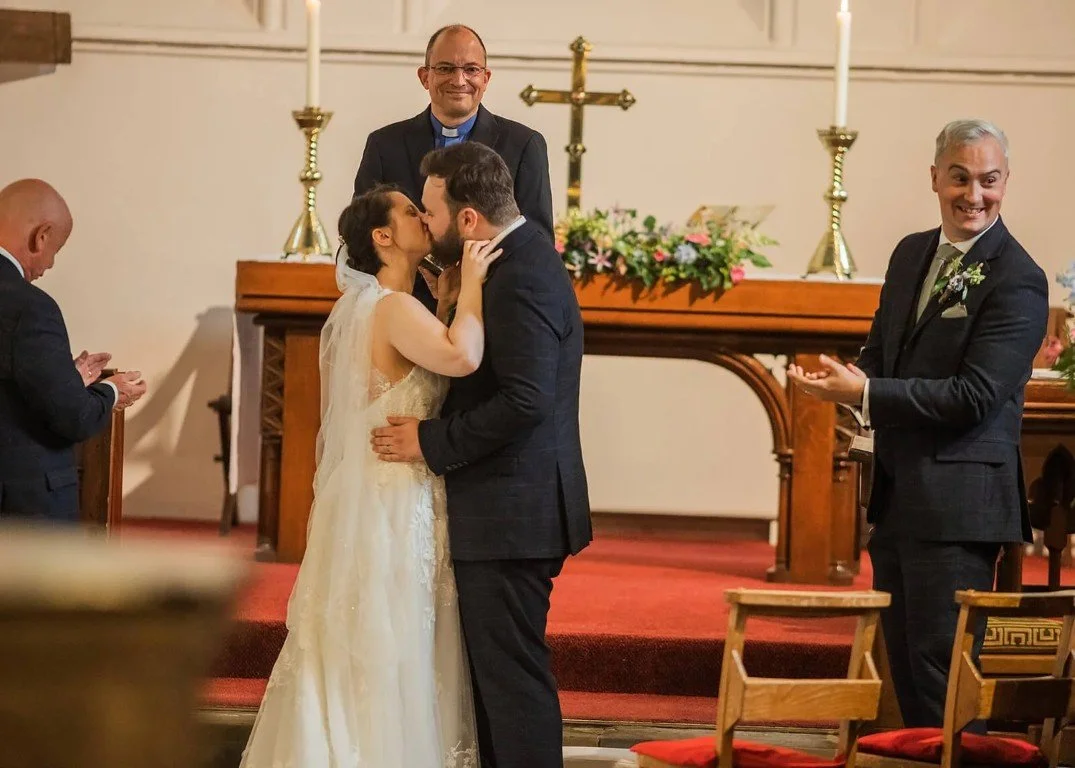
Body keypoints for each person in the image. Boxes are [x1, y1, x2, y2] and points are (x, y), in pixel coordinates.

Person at [787, 119, 1049, 730]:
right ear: (935, 177)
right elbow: (882, 354)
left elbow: (975, 395)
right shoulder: (911, 253)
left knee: (945, 670)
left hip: (960, 506)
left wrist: (870, 391)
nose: (974, 194)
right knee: (905, 668)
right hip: (900, 493)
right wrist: (845, 388)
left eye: (989, 180)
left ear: (1006, 182)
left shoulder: (1017, 277)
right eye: (960, 178)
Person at [239, 183, 503, 767]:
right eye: (411, 212)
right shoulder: (390, 306)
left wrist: (447, 301)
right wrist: (474, 288)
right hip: (392, 498)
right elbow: (461, 357)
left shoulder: (376, 308)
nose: (422, 216)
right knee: (393, 640)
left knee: (375, 637)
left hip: (377, 490)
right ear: (382, 237)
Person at [371, 142, 592, 768]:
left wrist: (430, 441)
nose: (427, 225)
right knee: (493, 686)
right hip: (504, 508)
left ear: (469, 220)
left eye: (433, 213)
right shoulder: (509, 261)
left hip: (513, 515)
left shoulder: (522, 273)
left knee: (512, 684)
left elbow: (526, 398)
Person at [354, 23, 554, 312]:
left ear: (486, 78)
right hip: (404, 305)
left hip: (492, 309)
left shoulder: (524, 144)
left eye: (471, 69)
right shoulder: (385, 145)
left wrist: (470, 274)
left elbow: (536, 240)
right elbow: (363, 232)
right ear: (425, 76)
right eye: (445, 68)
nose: (459, 80)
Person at [0, 178, 146, 521]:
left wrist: (64, 377)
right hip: (22, 510)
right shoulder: (31, 307)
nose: (49, 265)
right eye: (56, 251)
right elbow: (72, 417)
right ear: (41, 236)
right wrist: (111, 391)